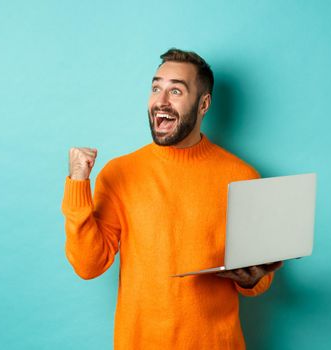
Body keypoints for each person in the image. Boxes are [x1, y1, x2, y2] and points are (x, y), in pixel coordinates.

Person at [61, 48, 283, 349]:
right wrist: (78, 183)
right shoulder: (120, 173)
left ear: (203, 104)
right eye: (156, 88)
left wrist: (251, 278)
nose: (160, 101)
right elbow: (89, 266)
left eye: (175, 90)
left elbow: (261, 282)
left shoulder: (243, 177)